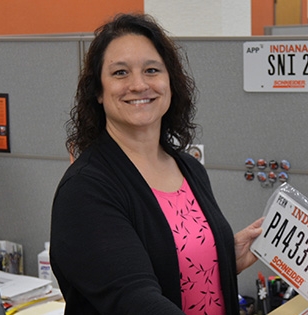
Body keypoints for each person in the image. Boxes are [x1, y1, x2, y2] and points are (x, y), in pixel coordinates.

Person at [50, 13, 264, 315]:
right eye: (120, 73)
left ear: (169, 82)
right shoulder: (86, 189)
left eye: (152, 70)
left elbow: (172, 261)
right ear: (97, 91)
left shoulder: (190, 169)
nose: (139, 84)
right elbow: (134, 300)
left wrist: (223, 257)